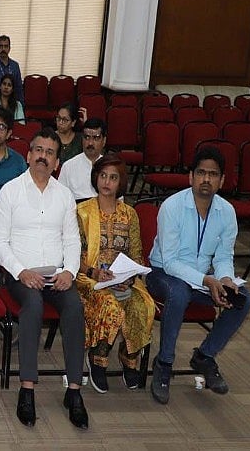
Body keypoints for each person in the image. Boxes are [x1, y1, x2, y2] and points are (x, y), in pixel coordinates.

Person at [0, 127, 88, 429]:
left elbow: (73, 240)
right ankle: (27, 389)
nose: (42, 157)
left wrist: (70, 272)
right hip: (21, 275)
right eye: (38, 150)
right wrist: (22, 271)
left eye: (49, 153)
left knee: (74, 307)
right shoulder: (10, 191)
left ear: (57, 161)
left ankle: (74, 391)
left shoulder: (65, 195)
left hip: (57, 275)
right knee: (32, 306)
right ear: (28, 154)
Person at [146, 146, 250, 405]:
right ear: (190, 177)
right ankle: (164, 363)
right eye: (201, 173)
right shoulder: (172, 207)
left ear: (222, 180)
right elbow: (170, 262)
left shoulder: (226, 212)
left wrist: (225, 280)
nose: (206, 179)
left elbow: (224, 257)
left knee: (243, 299)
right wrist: (207, 280)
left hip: (204, 280)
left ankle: (204, 356)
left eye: (213, 174)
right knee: (179, 292)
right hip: (163, 275)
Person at [75, 154, 155, 393]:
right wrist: (94, 273)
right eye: (102, 176)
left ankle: (129, 360)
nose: (107, 182)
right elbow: (72, 255)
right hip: (90, 278)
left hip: (124, 280)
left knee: (142, 305)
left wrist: (129, 278)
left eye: (113, 177)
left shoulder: (129, 214)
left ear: (121, 182)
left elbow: (136, 253)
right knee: (111, 308)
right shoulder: (82, 212)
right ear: (95, 178)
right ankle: (98, 359)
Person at [58, 118, 107, 201]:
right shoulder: (68, 167)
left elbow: (118, 201)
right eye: (87, 137)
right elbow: (60, 199)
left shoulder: (111, 166)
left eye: (96, 138)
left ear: (104, 141)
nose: (90, 143)